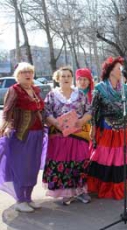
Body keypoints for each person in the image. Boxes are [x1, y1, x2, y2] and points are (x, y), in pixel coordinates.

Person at [88, 57, 127, 200]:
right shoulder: (100, 88)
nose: (121, 70)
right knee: (104, 159)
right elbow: (94, 110)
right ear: (110, 71)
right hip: (106, 130)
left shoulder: (126, 90)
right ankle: (102, 188)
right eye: (118, 68)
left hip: (122, 130)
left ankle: (118, 189)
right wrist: (93, 128)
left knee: (119, 160)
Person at [42, 66, 92, 205]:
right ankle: (66, 193)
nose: (66, 78)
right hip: (59, 136)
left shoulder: (80, 95)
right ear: (57, 79)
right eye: (62, 76)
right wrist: (56, 123)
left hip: (79, 135)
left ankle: (81, 192)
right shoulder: (52, 95)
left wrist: (82, 120)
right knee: (62, 163)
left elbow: (89, 110)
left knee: (80, 161)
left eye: (68, 76)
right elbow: (46, 113)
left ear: (72, 78)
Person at [0, 62, 45, 212]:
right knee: (21, 168)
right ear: (17, 76)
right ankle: (20, 200)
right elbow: (7, 111)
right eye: (23, 72)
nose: (27, 74)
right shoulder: (14, 90)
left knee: (32, 168)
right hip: (21, 136)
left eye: (30, 72)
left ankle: (28, 198)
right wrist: (4, 127)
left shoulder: (35, 90)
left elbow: (41, 111)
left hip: (38, 134)